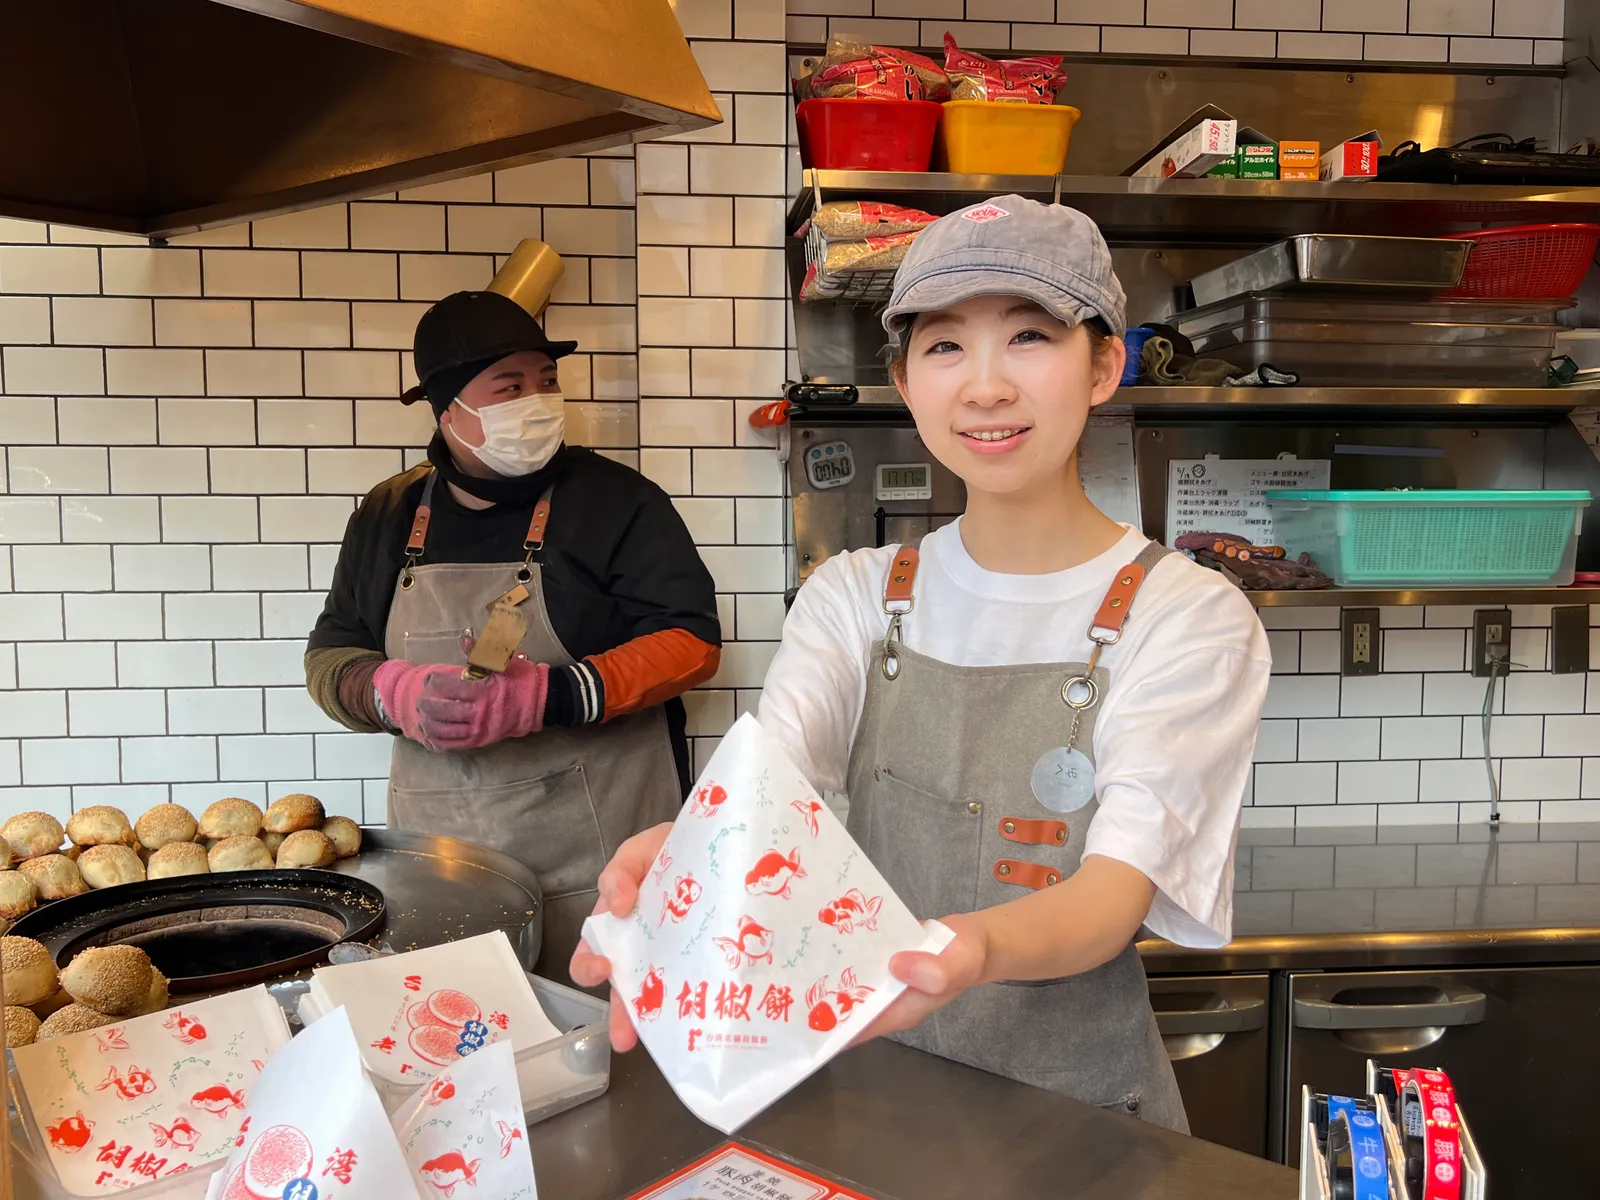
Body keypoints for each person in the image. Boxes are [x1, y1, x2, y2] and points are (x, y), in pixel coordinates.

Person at [571, 196, 1271, 1130]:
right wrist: (702, 856)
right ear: (903, 379)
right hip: (875, 1090)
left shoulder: (1188, 615)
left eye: (1029, 336)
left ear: (1104, 364)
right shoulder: (855, 595)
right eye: (944, 347)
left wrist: (967, 951)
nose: (983, 387)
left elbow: (1113, 895)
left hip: (1084, 1117)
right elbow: (774, 792)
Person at [306, 289, 722, 982]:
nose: (538, 401)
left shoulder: (618, 501)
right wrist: (390, 691)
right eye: (511, 387)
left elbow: (692, 643)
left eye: (547, 382)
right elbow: (330, 655)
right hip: (443, 874)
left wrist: (554, 696)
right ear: (450, 413)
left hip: (603, 864)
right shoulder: (387, 514)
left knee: (613, 1056)